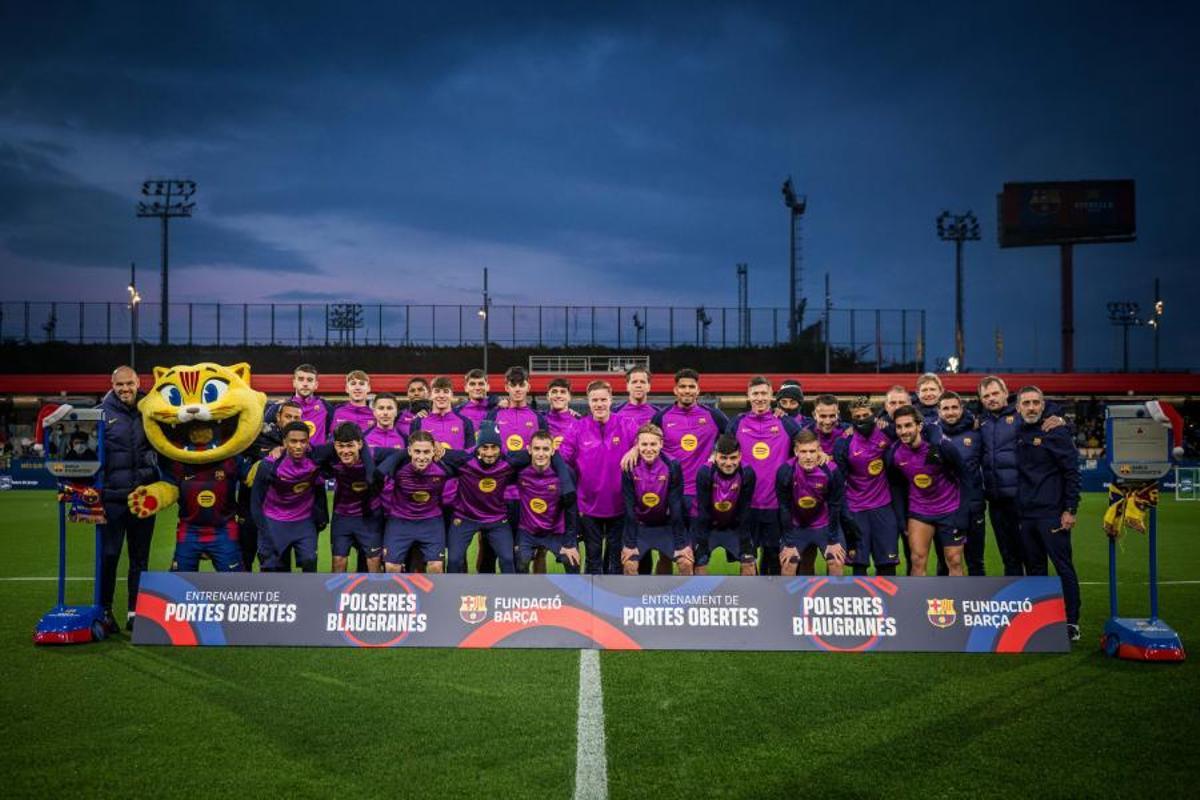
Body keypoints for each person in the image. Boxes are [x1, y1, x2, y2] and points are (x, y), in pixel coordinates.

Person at [440, 421, 556, 574]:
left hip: (496, 519)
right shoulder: (463, 460)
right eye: (484, 447)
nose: (489, 453)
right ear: (477, 447)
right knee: (454, 560)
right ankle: (453, 595)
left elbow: (548, 455)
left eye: (494, 447)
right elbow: (433, 453)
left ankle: (509, 597)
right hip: (465, 517)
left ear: (500, 447)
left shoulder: (510, 461)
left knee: (508, 559)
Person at [1015, 385, 1082, 641]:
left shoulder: (1057, 431)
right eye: (1026, 403)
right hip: (1026, 514)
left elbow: (1071, 472)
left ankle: (1072, 622)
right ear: (1019, 407)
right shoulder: (1018, 430)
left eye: (1035, 403)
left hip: (1052, 514)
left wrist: (1070, 509)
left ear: (1043, 405)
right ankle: (1041, 620)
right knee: (1034, 569)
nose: (1031, 407)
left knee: (1063, 567)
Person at [97, 365, 159, 631]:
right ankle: (105, 612)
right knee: (109, 557)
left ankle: (136, 613)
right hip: (111, 499)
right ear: (112, 385)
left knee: (140, 559)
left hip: (143, 498)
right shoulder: (100, 413)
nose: (125, 389)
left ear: (138, 383)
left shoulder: (150, 409)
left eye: (129, 384)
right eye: (120, 385)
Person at [557, 380, 636, 574]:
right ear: (588, 402)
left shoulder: (627, 424)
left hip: (619, 505)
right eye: (594, 400)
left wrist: (635, 449)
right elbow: (561, 460)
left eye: (603, 399)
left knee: (616, 562)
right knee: (593, 559)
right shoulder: (577, 428)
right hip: (588, 506)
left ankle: (612, 603)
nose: (599, 404)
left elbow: (647, 445)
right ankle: (592, 603)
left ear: (611, 400)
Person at [730, 376, 803, 576]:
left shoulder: (786, 423)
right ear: (748, 396)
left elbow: (806, 447)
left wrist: (821, 453)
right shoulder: (737, 423)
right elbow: (723, 453)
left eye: (764, 393)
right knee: (747, 563)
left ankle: (772, 606)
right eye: (755, 393)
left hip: (776, 505)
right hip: (746, 505)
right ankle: (749, 604)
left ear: (772, 396)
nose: (760, 398)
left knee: (773, 560)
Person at [887, 405, 967, 577]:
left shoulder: (941, 447)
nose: (903, 431)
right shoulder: (895, 453)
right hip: (920, 511)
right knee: (917, 560)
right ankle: (917, 603)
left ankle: (958, 601)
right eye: (899, 427)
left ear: (919, 426)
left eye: (908, 425)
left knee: (954, 560)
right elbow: (896, 486)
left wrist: (963, 514)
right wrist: (901, 517)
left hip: (949, 510)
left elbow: (965, 476)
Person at [832, 397, 902, 576]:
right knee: (859, 565)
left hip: (883, 506)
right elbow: (840, 479)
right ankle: (861, 601)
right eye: (857, 416)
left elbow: (913, 430)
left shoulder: (888, 432)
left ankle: (889, 602)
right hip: (856, 508)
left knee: (887, 564)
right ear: (852, 418)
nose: (862, 419)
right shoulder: (844, 442)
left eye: (866, 415)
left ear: (875, 415)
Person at [251, 421, 329, 572]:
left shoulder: (316, 460)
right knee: (272, 569)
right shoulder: (268, 466)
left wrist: (321, 518)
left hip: (303, 521)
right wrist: (264, 531)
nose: (298, 446)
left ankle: (307, 596)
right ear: (284, 442)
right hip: (274, 521)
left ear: (308, 442)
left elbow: (319, 488)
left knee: (309, 561)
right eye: (293, 441)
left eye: (303, 441)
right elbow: (255, 502)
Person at [236, 399, 302, 571]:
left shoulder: (301, 444)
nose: (292, 420)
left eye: (297, 417)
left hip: (281, 510)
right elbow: (239, 460)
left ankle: (281, 594)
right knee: (246, 552)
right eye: (288, 416)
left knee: (279, 556)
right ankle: (244, 593)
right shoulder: (256, 436)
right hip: (251, 505)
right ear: (278, 417)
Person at [374, 431, 450, 574]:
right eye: (417, 451)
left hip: (431, 521)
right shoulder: (397, 467)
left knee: (436, 566)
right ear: (409, 451)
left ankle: (435, 596)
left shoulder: (443, 469)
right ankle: (400, 595)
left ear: (434, 451)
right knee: (391, 567)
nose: (421, 457)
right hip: (400, 520)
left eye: (427, 452)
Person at [620, 424, 691, 575]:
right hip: (640, 527)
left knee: (685, 562)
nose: (649, 449)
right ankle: (632, 598)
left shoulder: (672, 465)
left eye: (653, 444)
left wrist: (680, 544)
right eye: (644, 444)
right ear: (637, 445)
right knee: (629, 564)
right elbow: (629, 508)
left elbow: (676, 506)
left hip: (665, 526)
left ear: (661, 444)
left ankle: (667, 597)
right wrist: (630, 544)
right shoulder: (629, 466)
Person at [776, 430, 848, 577]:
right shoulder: (785, 471)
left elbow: (835, 506)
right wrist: (789, 543)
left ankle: (832, 598)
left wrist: (833, 540)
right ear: (796, 451)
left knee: (836, 561)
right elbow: (784, 507)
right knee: (789, 562)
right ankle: (790, 600)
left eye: (812, 451)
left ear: (819, 451)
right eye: (803, 451)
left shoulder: (831, 471)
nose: (808, 457)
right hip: (797, 526)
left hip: (824, 525)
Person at [319, 422, 384, 573]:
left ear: (360, 444)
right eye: (341, 446)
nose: (345, 451)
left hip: (370, 517)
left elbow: (402, 455)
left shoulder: (375, 455)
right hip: (342, 516)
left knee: (374, 560)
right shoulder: (331, 458)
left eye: (350, 446)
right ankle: (337, 595)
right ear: (334, 445)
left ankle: (375, 592)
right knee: (338, 560)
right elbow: (307, 452)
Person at [515, 430, 581, 573]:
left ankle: (573, 595)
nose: (541, 453)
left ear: (553, 451)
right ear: (529, 450)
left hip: (554, 532)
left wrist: (570, 543)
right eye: (537, 448)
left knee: (572, 562)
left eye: (545, 449)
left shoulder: (566, 473)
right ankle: (523, 595)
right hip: (527, 531)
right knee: (521, 562)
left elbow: (571, 509)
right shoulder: (519, 471)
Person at [937, 391, 986, 575]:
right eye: (946, 408)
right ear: (939, 411)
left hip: (973, 506)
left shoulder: (977, 432)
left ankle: (978, 603)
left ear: (962, 409)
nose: (950, 412)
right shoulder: (930, 434)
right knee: (945, 562)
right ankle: (945, 602)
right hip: (944, 510)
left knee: (975, 562)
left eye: (954, 407)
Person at [693, 435, 757, 575]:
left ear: (740, 456)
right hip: (709, 528)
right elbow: (703, 510)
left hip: (734, 528)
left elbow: (745, 509)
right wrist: (702, 545)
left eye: (733, 458)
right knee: (699, 563)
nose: (728, 463)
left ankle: (748, 596)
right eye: (723, 458)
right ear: (715, 456)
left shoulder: (747, 473)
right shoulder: (705, 473)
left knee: (749, 564)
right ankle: (702, 597)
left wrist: (746, 544)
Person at [283, 363, 334, 445]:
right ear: (294, 383)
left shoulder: (326, 407)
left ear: (316, 385)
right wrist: (274, 447)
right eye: (301, 379)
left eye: (309, 380)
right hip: (289, 457)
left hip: (318, 457)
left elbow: (335, 432)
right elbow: (266, 434)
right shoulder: (281, 407)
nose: (305, 384)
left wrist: (326, 450)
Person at [544, 378, 579, 450]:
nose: (558, 395)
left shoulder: (579, 423)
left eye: (563, 392)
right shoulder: (540, 419)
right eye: (554, 392)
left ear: (569, 397)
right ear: (548, 396)